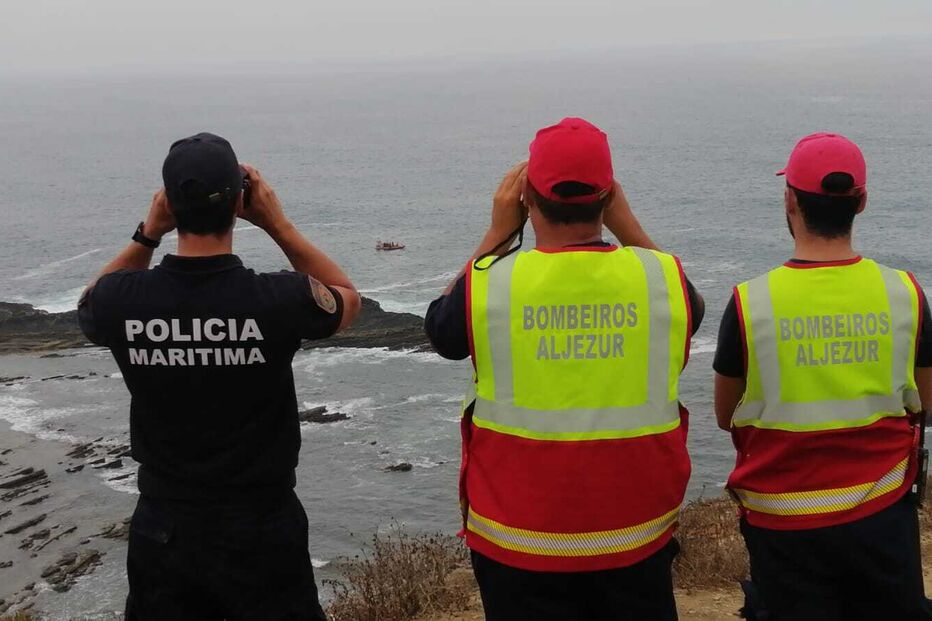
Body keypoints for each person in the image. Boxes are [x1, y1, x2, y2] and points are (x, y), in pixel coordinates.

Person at [425, 117, 705, 621]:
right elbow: (691, 306)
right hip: (633, 534)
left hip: (516, 537)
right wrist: (625, 223)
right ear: (609, 196)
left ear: (526, 197)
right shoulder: (661, 279)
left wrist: (496, 232)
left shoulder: (491, 283)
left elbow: (442, 332)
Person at [78, 132, 361, 620]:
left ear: (168, 204)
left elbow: (89, 303)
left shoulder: (122, 301)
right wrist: (277, 223)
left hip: (165, 527)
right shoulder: (277, 299)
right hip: (262, 524)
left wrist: (148, 233)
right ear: (238, 202)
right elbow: (344, 297)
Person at [713, 132, 932, 621]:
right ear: (862, 201)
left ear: (789, 199)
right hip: (881, 515)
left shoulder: (751, 303)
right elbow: (926, 403)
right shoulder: (906, 293)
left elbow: (727, 416)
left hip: (784, 522)